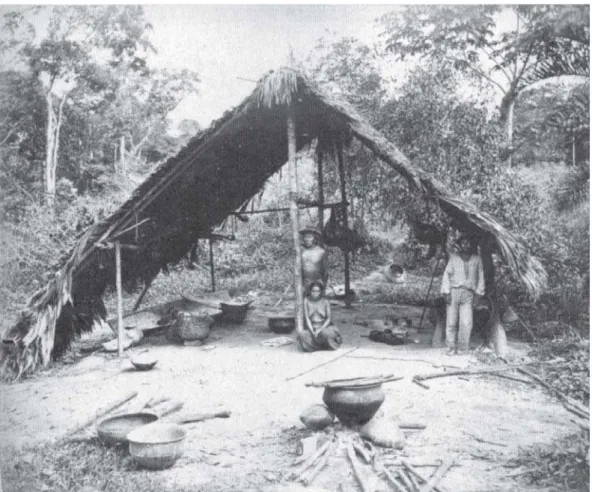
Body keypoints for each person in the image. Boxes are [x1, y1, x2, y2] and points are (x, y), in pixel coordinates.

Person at [440, 235, 485, 355]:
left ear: (472, 245)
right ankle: (450, 347)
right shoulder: (454, 258)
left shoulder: (477, 259)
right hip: (454, 291)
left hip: (468, 294)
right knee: (451, 321)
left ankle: (462, 348)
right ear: (460, 245)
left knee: (466, 322)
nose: (466, 245)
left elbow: (481, 277)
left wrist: (479, 295)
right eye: (463, 243)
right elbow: (446, 275)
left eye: (468, 243)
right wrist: (446, 292)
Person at [297, 281, 342, 352]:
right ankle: (320, 346)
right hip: (312, 328)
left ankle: (322, 345)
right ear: (310, 291)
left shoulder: (325, 301)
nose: (315, 293)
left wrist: (320, 329)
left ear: (321, 292)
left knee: (325, 333)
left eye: (317, 291)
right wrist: (312, 331)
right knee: (302, 335)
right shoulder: (306, 301)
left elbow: (328, 319)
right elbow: (307, 318)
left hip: (324, 327)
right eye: (313, 291)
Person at [300, 226, 328, 292]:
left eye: (309, 237)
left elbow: (325, 271)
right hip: (304, 283)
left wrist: (323, 285)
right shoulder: (300, 251)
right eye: (305, 237)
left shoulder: (321, 252)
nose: (306, 239)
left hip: (317, 283)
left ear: (315, 238)